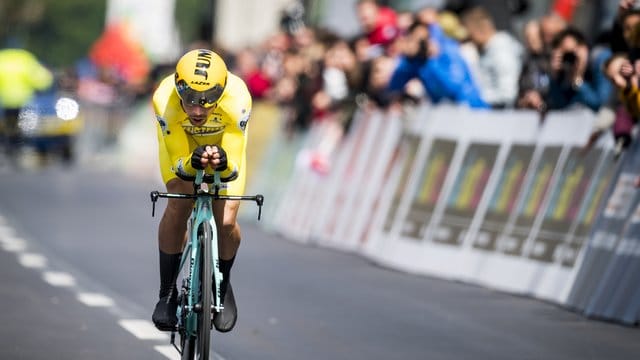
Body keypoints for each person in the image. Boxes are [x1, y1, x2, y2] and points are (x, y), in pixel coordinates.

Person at [151, 48, 252, 333]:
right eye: (190, 100)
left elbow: (232, 161)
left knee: (227, 219)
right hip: (181, 147)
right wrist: (189, 163)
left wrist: (222, 161)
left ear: (221, 92)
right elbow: (177, 158)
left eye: (207, 102)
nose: (197, 110)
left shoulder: (238, 97)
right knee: (179, 204)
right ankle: (167, 294)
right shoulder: (164, 98)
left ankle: (222, 282)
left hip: (224, 148)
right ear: (179, 88)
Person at [386, 20, 488, 109]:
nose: (422, 45)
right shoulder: (417, 62)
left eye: (424, 40)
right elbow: (394, 86)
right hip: (447, 115)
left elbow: (453, 88)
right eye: (416, 40)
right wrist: (407, 59)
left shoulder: (448, 49)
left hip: (472, 108)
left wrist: (432, 61)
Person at [0, 48, 53, 158]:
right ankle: (21, 144)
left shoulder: (2, 59)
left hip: (4, 101)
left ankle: (9, 144)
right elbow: (42, 80)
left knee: (9, 126)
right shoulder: (26, 60)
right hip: (23, 100)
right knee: (26, 125)